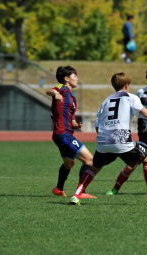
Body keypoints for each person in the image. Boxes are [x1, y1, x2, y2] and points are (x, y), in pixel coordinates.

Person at [69, 72, 147, 205]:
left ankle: (76, 194)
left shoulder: (105, 101)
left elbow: (97, 127)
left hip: (103, 141)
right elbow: (144, 111)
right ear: (126, 85)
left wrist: (105, 140)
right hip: (121, 139)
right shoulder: (131, 97)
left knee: (95, 167)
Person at [106, 68, 147, 195]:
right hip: (145, 127)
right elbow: (132, 106)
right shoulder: (140, 93)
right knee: (135, 162)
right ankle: (116, 187)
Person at [46, 66, 95, 199]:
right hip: (63, 134)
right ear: (67, 79)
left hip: (64, 134)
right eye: (75, 76)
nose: (77, 79)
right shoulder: (61, 88)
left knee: (69, 163)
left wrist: (76, 125)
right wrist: (55, 94)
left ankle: (58, 189)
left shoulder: (72, 99)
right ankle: (81, 192)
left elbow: (71, 119)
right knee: (89, 160)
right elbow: (49, 91)